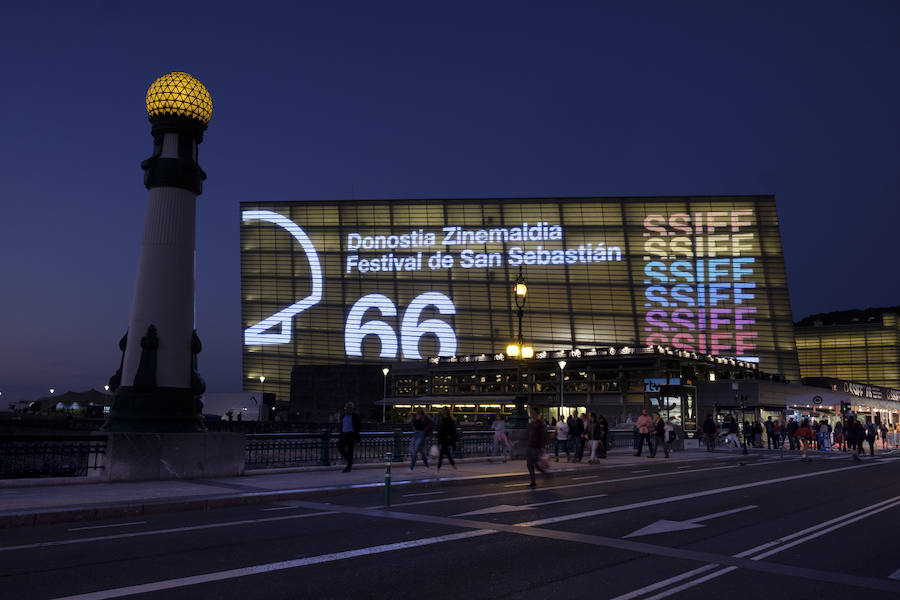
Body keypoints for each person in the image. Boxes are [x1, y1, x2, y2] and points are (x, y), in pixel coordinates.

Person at [526, 407, 549, 487]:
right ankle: (533, 481)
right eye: (531, 412)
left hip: (536, 447)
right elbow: (529, 434)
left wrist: (542, 446)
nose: (531, 414)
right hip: (530, 445)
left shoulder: (540, 423)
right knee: (529, 464)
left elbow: (543, 436)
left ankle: (545, 474)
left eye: (532, 412)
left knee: (536, 465)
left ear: (536, 413)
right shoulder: (531, 423)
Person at [338, 402, 361, 472]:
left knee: (350, 451)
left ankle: (349, 467)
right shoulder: (343, 416)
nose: (347, 409)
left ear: (352, 409)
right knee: (340, 448)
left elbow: (358, 426)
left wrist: (356, 435)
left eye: (349, 408)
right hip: (344, 434)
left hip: (351, 435)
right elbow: (341, 425)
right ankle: (349, 460)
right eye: (346, 408)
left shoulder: (355, 416)